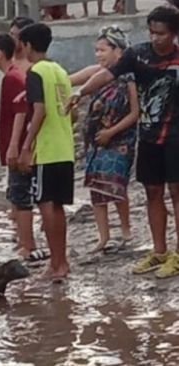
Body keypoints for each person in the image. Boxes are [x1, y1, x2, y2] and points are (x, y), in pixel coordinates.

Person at [68, 6, 179, 278]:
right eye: (151, 32)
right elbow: (107, 73)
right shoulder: (137, 54)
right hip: (150, 137)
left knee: (177, 194)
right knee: (153, 192)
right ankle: (159, 251)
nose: (155, 38)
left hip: (176, 136)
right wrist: (80, 93)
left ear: (174, 34)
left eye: (161, 34)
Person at [69, 26, 139, 254]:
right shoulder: (98, 72)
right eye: (96, 50)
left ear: (117, 50)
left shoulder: (128, 75)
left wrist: (112, 132)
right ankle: (103, 236)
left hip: (120, 139)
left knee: (116, 186)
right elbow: (71, 80)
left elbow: (134, 112)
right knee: (96, 188)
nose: (98, 55)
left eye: (102, 50)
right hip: (96, 141)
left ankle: (126, 231)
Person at [18, 23, 74, 280]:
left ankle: (56, 264)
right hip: (65, 148)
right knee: (58, 206)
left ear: (28, 46)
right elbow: (70, 111)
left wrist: (27, 146)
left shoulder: (35, 72)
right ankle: (61, 262)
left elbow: (39, 111)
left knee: (46, 205)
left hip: (48, 150)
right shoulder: (60, 71)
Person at [0, 33, 44, 262]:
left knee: (21, 195)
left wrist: (14, 146)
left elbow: (21, 112)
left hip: (19, 147)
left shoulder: (12, 78)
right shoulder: (14, 77)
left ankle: (27, 244)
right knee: (17, 193)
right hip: (18, 145)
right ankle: (23, 240)